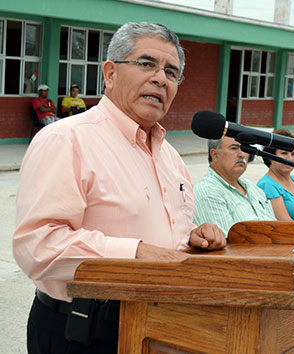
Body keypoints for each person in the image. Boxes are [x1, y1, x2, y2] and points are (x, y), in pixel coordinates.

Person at [13, 22, 226, 354]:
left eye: (172, 72)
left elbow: (164, 233)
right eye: (146, 64)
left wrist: (195, 236)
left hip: (159, 327)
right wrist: (135, 253)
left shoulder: (170, 156)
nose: (160, 78)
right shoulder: (66, 140)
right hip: (84, 331)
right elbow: (37, 247)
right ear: (110, 73)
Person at [193, 136, 276, 235]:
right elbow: (228, 244)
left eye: (245, 149)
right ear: (214, 155)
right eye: (234, 148)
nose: (241, 154)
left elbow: (275, 227)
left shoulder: (253, 188)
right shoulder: (208, 192)